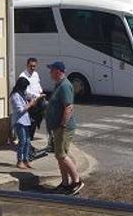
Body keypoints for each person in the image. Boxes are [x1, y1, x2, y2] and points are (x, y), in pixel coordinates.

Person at [45, 61, 84, 195]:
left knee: (62, 155)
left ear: (58, 71)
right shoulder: (59, 85)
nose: (50, 73)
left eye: (51, 70)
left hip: (64, 127)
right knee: (59, 155)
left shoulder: (65, 86)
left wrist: (62, 125)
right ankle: (65, 183)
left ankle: (77, 181)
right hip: (58, 127)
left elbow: (68, 107)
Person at [10, 77, 44, 169]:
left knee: (27, 141)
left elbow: (30, 95)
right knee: (22, 141)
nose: (25, 89)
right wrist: (30, 104)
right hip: (19, 121)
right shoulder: (15, 96)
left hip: (25, 121)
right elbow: (20, 110)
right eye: (24, 87)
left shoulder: (22, 94)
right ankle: (19, 160)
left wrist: (37, 97)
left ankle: (26, 159)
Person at [19, 57, 45, 141]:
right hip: (29, 102)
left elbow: (38, 85)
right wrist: (37, 96)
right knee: (30, 122)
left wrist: (40, 92)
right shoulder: (23, 76)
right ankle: (27, 139)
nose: (33, 68)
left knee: (37, 119)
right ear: (27, 65)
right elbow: (26, 92)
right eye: (31, 66)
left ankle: (31, 137)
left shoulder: (35, 74)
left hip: (38, 99)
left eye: (34, 66)